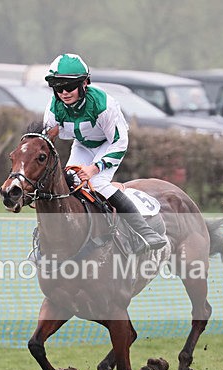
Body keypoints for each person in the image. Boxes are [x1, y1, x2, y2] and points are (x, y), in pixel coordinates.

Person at [43, 53, 166, 253]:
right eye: (58, 88)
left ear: (84, 84)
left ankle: (144, 231)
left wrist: (95, 168)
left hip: (109, 145)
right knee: (67, 183)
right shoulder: (53, 107)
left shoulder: (103, 104)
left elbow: (119, 141)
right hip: (82, 145)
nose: (64, 92)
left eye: (69, 86)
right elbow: (48, 138)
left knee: (97, 183)